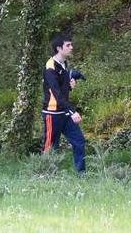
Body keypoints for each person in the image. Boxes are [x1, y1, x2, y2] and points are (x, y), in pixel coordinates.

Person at [41, 33, 86, 173]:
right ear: (59, 48)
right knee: (50, 146)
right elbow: (56, 94)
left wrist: (70, 85)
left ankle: (82, 175)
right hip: (52, 114)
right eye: (68, 45)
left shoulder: (64, 64)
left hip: (64, 113)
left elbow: (63, 87)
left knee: (79, 141)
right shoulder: (50, 67)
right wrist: (72, 111)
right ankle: (45, 175)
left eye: (71, 45)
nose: (71, 47)